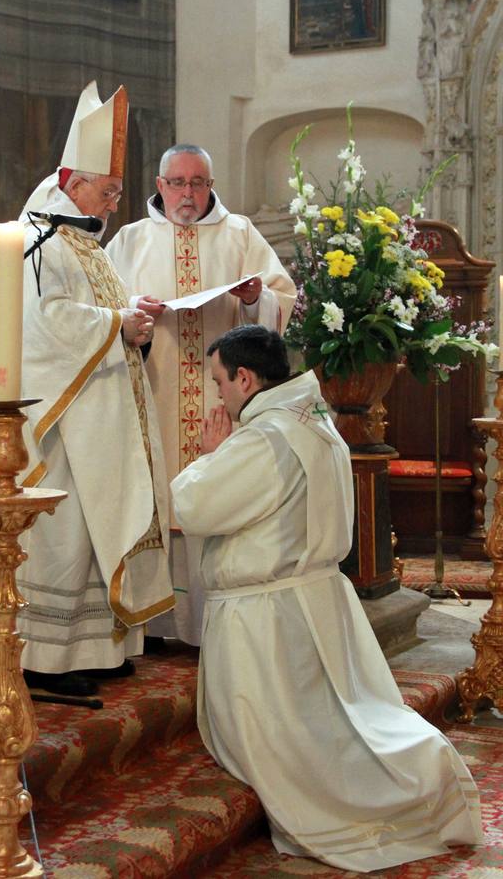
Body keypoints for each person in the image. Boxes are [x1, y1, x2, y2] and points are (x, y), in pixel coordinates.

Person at [171, 325, 484, 870]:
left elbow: (195, 507)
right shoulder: (315, 422)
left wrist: (208, 455)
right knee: (337, 719)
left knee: (293, 745)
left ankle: (400, 787)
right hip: (310, 599)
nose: (219, 395)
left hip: (266, 616)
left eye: (220, 382)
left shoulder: (261, 438)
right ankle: (419, 773)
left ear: (244, 378)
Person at [0, 81, 174, 697]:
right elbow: (46, 324)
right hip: (58, 424)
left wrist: (129, 314)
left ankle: (94, 646)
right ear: (71, 179)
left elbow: (92, 309)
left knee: (92, 529)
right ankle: (45, 658)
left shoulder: (81, 237)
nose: (113, 204)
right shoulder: (38, 241)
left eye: (115, 192)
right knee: (61, 533)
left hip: (99, 414)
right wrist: (118, 323)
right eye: (107, 191)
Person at [106, 143, 295, 645]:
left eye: (198, 183)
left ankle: (214, 622)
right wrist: (131, 310)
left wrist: (257, 298)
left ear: (210, 186)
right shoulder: (129, 241)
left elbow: (283, 299)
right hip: (156, 392)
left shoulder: (241, 235)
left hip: (222, 399)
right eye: (177, 183)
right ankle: (163, 625)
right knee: (160, 500)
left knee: (217, 497)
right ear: (160, 185)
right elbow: (100, 307)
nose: (187, 194)